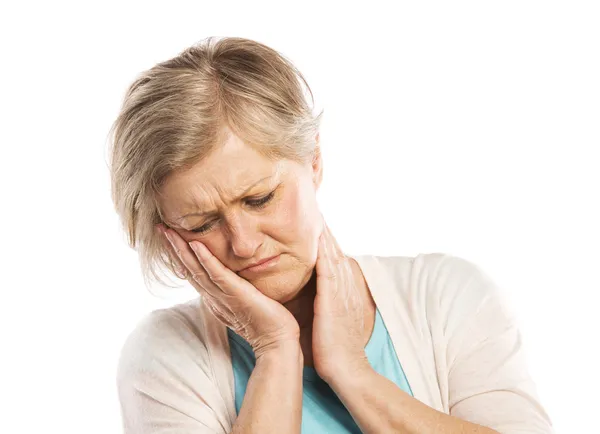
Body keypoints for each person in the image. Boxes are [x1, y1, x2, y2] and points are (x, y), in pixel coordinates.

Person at [110, 36, 554, 433]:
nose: (243, 244)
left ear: (314, 160)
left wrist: (352, 371)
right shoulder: (165, 356)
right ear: (167, 235)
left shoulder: (444, 297)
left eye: (260, 198)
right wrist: (275, 350)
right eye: (203, 224)